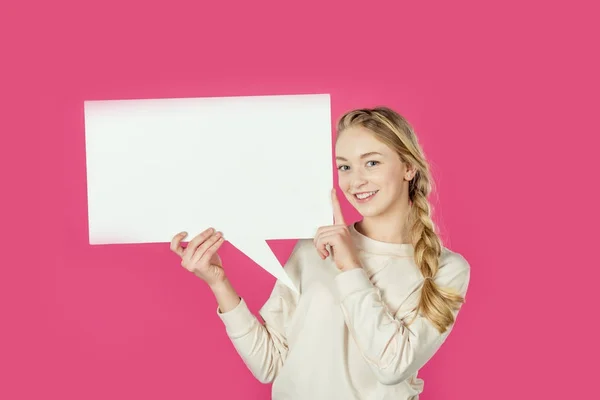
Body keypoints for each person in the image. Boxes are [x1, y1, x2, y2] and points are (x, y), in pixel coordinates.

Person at [169, 106, 471, 399]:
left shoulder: (448, 268)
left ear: (408, 167)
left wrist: (351, 267)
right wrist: (218, 282)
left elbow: (392, 366)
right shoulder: (312, 248)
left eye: (372, 163)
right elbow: (269, 364)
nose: (356, 181)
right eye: (345, 166)